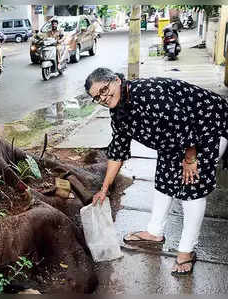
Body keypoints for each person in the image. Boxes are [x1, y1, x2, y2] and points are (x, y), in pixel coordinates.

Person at [85, 67, 228, 276]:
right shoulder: (119, 112)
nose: (104, 98)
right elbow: (118, 151)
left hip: (208, 124)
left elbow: (183, 121)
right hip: (175, 138)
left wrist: (190, 158)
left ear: (116, 80)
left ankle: (186, 250)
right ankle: (154, 232)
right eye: (97, 97)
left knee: (191, 187)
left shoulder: (148, 94)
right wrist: (104, 188)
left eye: (104, 90)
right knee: (164, 180)